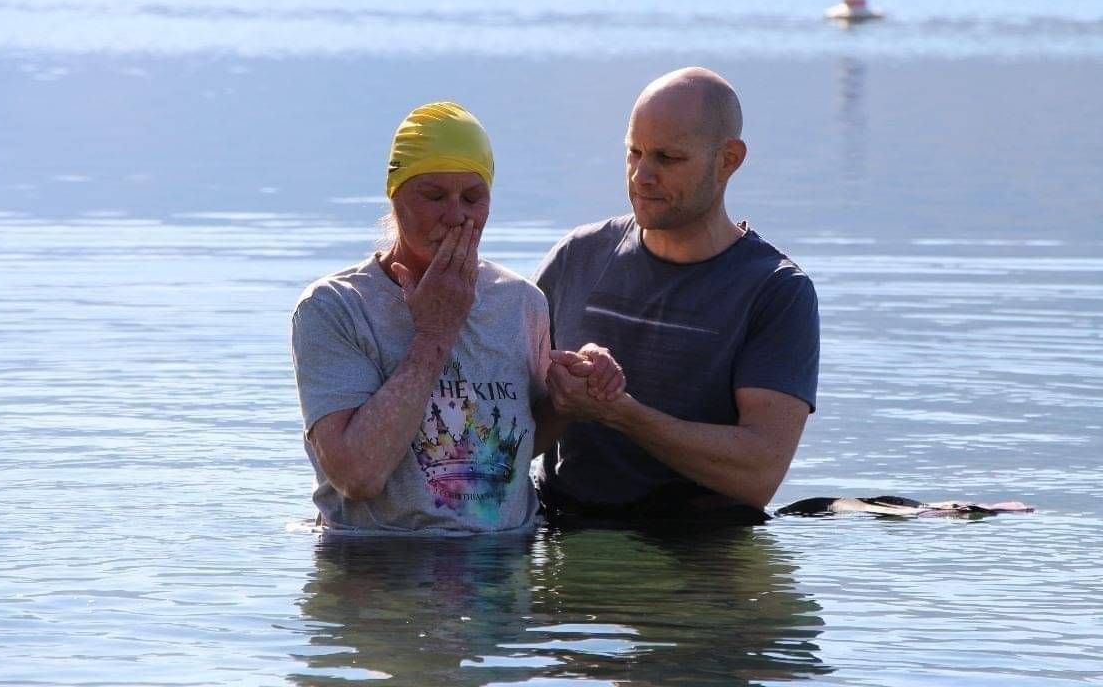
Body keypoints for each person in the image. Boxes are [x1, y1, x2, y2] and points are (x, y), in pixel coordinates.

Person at [291, 101, 622, 534]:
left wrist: (570, 398)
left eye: (472, 197)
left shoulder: (521, 302)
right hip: (382, 559)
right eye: (433, 196)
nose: (455, 216)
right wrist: (435, 332)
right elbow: (357, 477)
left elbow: (518, 443)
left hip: (500, 560)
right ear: (395, 194)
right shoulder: (335, 307)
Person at [535, 67, 820, 524]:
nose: (641, 175)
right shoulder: (577, 257)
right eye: (634, 152)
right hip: (563, 529)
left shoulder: (776, 291)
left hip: (696, 547)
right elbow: (503, 428)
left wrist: (621, 413)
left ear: (728, 160)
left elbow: (759, 474)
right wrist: (569, 392)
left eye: (667, 158)